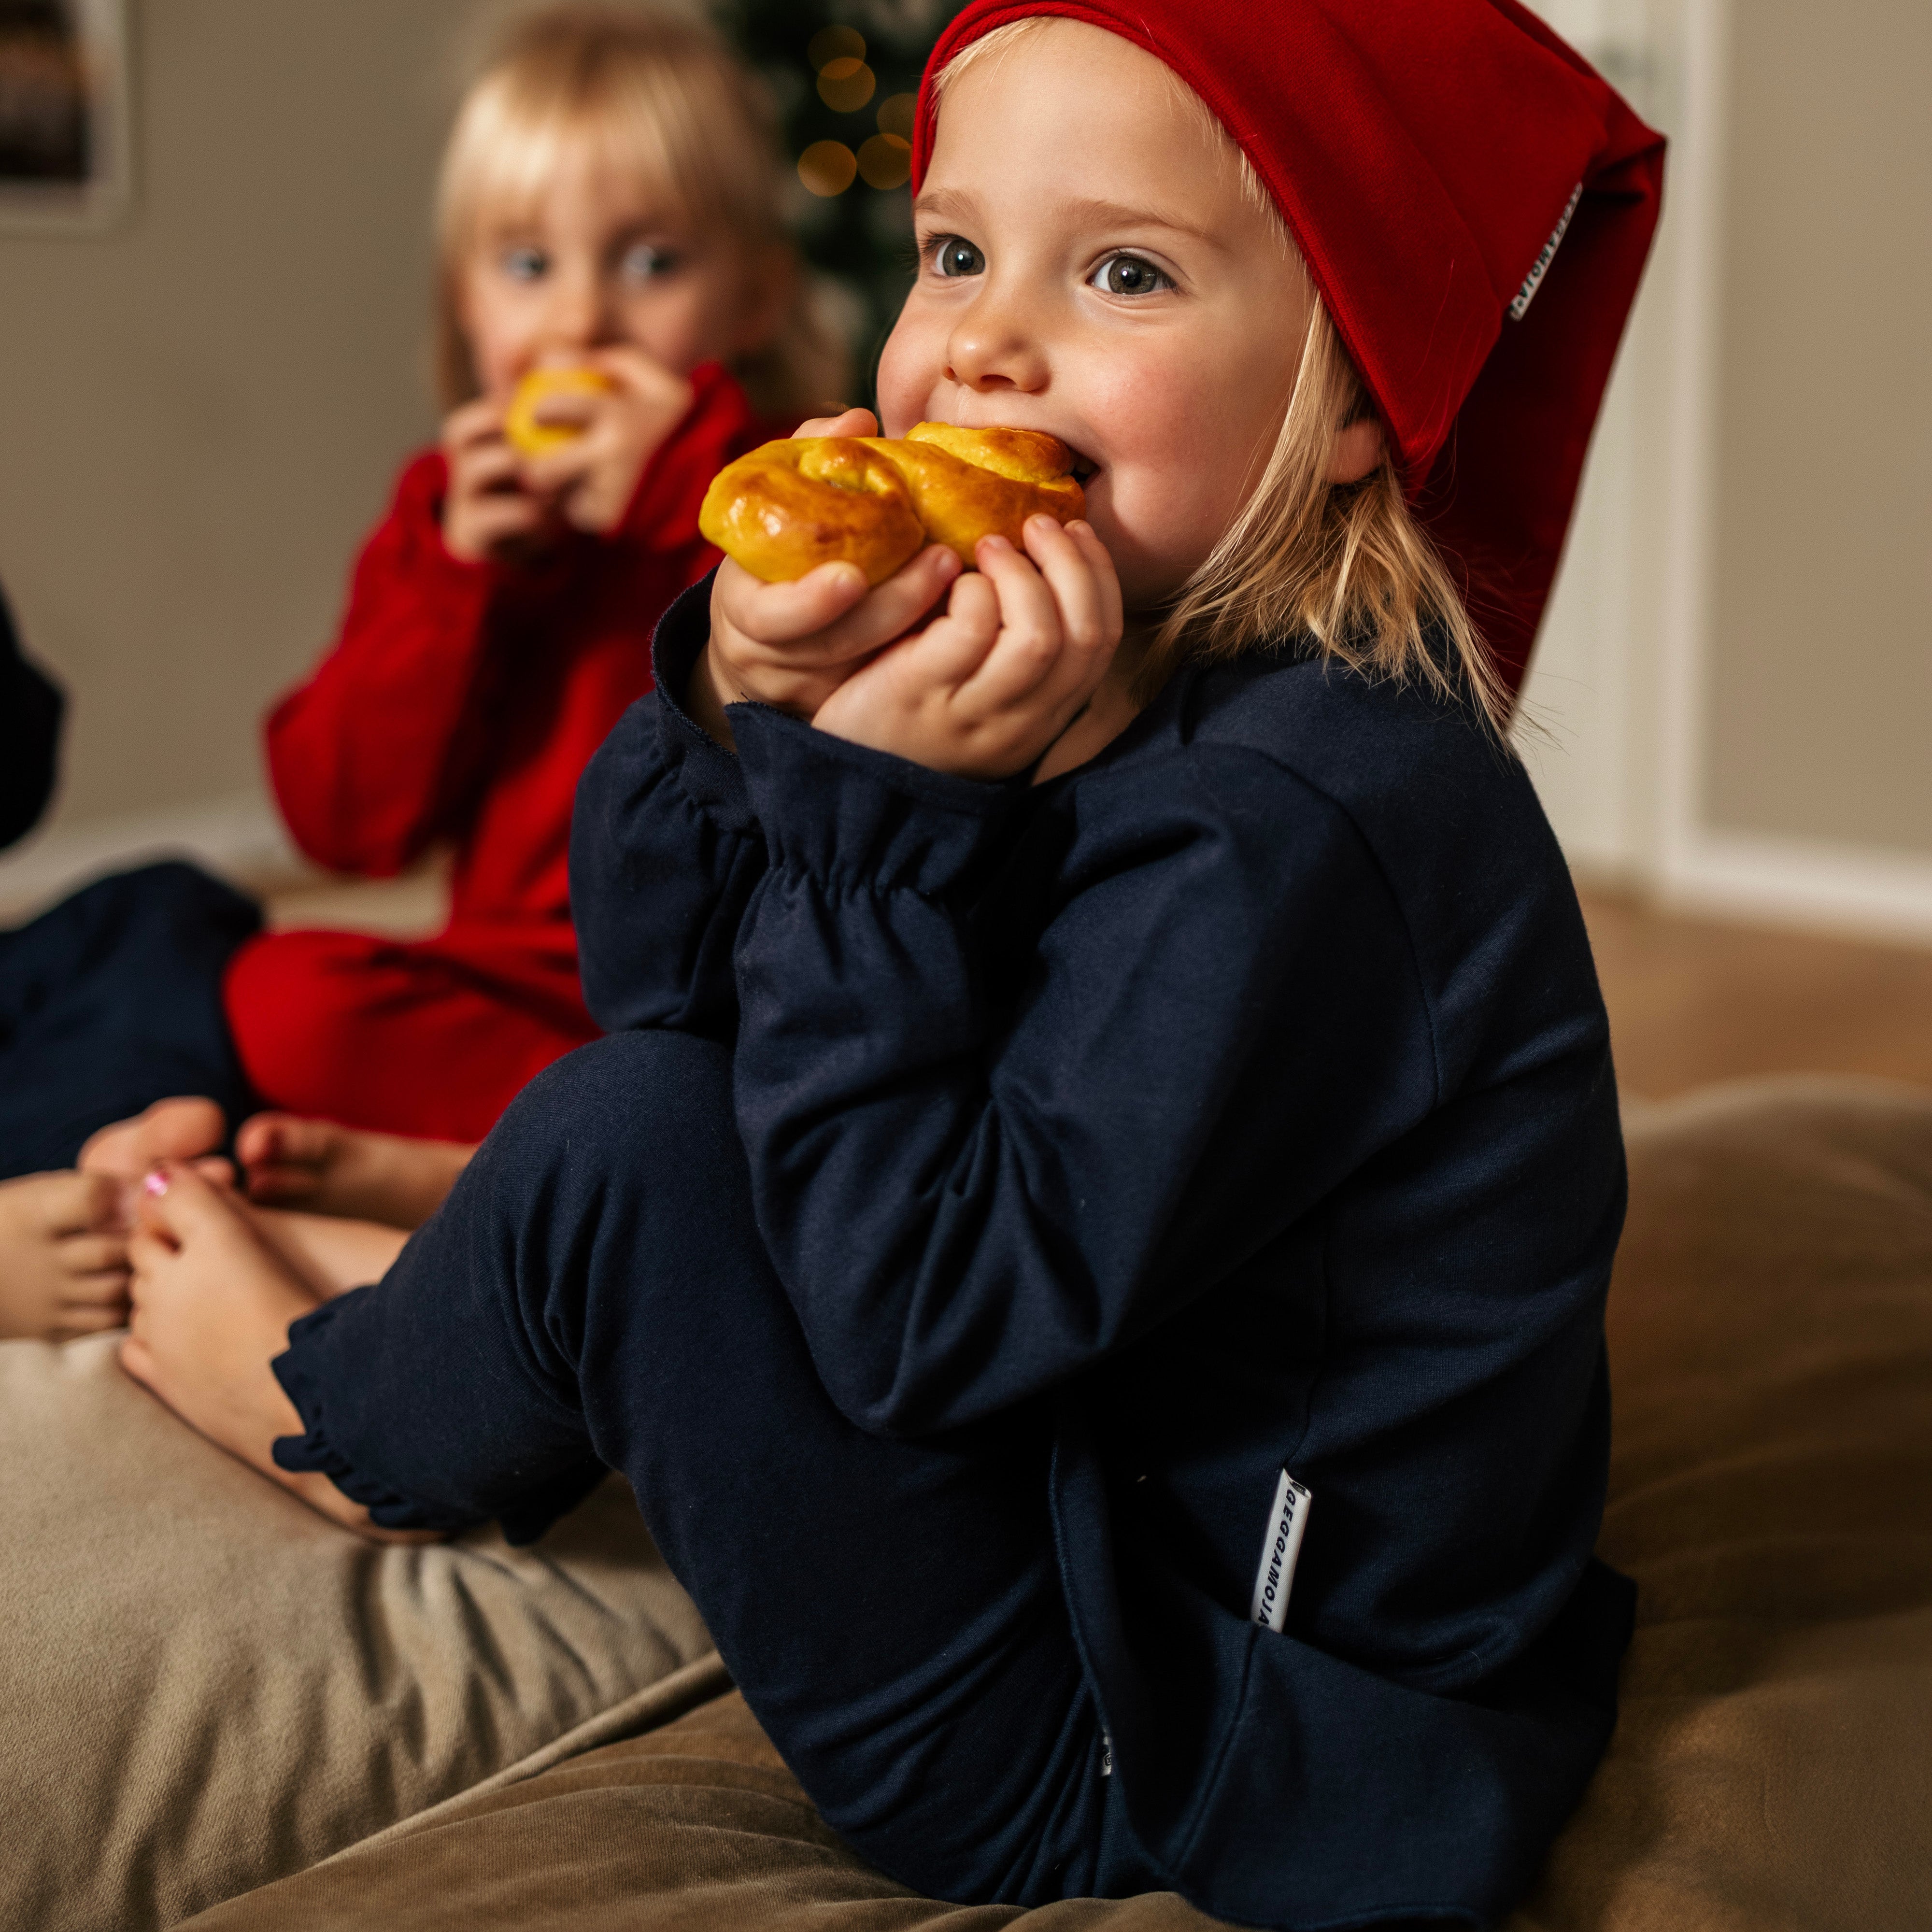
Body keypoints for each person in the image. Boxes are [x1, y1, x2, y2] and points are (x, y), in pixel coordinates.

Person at [120, 3, 1665, 1926]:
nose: (987, 342)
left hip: (1185, 1732)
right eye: (952, 252)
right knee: (659, 1110)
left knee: (626, 1149)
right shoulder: (1086, 662)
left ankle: (345, 1422)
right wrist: (743, 696)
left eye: (1120, 269)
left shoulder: (1300, 826)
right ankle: (479, 1315)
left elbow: (919, 1321)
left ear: (1351, 400)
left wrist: (866, 821)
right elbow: (667, 984)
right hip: (1073, 1444)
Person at [0, 3, 838, 1333]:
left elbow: (808, 765)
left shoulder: (786, 494)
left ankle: (463, 1178)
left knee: (686, 1111)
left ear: (756, 291)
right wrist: (455, 578)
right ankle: (451, 1168)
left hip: (712, 1009)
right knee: (282, 988)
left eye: (653, 260)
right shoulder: (449, 515)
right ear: (461, 297)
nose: (579, 316)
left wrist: (695, 493)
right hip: (496, 986)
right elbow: (337, 816)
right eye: (525, 263)